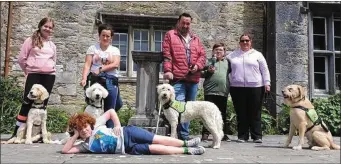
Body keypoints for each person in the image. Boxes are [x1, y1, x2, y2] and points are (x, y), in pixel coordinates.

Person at [61, 110, 205, 155]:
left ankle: (186, 142)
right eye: (81, 129)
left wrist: (117, 124)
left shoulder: (97, 124)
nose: (85, 130)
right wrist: (75, 135)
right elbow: (65, 151)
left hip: (128, 133)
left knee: (157, 139)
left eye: (85, 127)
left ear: (89, 124)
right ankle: (188, 150)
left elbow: (111, 111)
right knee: (154, 149)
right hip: (128, 149)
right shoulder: (85, 146)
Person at [9, 17, 57, 139]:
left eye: (50, 27)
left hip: (49, 76)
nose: (48, 29)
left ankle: (39, 134)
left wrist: (51, 68)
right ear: (40, 26)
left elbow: (54, 60)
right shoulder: (30, 41)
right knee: (27, 103)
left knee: (43, 104)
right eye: (46, 26)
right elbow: (21, 59)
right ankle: (16, 133)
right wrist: (27, 71)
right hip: (33, 74)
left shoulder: (52, 45)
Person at [162, 13, 206, 140]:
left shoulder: (195, 38)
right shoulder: (170, 35)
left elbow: (202, 56)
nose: (186, 25)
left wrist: (197, 66)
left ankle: (184, 136)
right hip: (178, 78)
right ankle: (177, 135)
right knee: (178, 106)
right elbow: (167, 54)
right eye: (183, 23)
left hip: (193, 79)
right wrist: (168, 70)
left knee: (189, 109)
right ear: (178, 22)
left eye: (188, 23)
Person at [226, 33, 271, 143]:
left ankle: (257, 136)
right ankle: (242, 136)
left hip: (256, 86)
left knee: (255, 112)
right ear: (239, 42)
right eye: (242, 41)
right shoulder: (232, 55)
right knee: (241, 112)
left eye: (247, 40)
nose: (245, 42)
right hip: (237, 87)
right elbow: (224, 66)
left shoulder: (257, 55)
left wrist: (267, 83)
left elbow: (264, 70)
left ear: (251, 42)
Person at [80, 24, 123, 128]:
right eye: (103, 35)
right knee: (94, 106)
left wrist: (101, 69)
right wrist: (84, 78)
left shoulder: (115, 50)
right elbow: (87, 64)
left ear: (111, 38)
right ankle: (90, 130)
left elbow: (116, 64)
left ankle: (110, 131)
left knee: (113, 106)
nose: (105, 38)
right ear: (99, 36)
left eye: (107, 36)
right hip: (96, 80)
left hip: (111, 79)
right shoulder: (92, 48)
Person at [201, 43, 230, 142]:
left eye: (221, 50)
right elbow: (201, 74)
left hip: (223, 92)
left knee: (222, 114)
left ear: (224, 52)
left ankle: (223, 134)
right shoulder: (208, 62)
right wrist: (208, 71)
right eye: (216, 50)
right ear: (213, 51)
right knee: (207, 114)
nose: (218, 51)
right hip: (210, 92)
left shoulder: (228, 63)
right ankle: (205, 134)